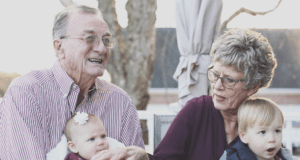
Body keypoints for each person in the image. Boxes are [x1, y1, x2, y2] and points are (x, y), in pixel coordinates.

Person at [103, 28, 278, 159]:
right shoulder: (198, 110)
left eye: (229, 80)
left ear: (253, 86)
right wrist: (144, 157)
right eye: (215, 74)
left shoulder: (263, 118)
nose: (217, 86)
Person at [0, 5, 144, 160]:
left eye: (106, 40)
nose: (102, 48)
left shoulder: (120, 101)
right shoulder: (26, 92)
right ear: (59, 47)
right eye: (89, 38)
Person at [220, 98, 297, 160]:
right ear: (244, 136)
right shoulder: (232, 158)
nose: (272, 139)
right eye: (262, 132)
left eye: (277, 131)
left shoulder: (286, 157)